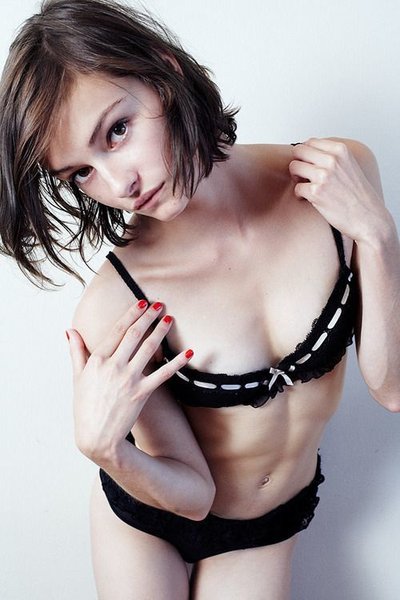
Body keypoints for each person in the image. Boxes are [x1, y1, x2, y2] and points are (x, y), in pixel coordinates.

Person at [0, 0, 399, 598]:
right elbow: (192, 495)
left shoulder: (335, 177)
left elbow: (392, 389)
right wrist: (105, 451)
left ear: (164, 71)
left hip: (266, 527)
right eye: (80, 172)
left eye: (117, 130)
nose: (120, 184)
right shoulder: (119, 302)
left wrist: (380, 236)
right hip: (153, 511)